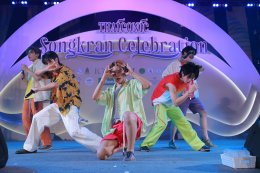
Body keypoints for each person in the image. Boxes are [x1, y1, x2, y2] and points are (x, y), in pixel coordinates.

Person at [16, 51, 102, 154]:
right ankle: (30, 147)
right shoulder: (53, 71)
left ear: (55, 60)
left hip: (69, 104)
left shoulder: (66, 71)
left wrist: (39, 89)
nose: (48, 65)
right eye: (47, 63)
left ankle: (102, 145)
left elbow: (55, 84)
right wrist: (47, 68)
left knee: (74, 131)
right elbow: (37, 74)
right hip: (58, 105)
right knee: (37, 118)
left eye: (49, 62)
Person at [140, 62, 210, 152]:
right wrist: (189, 92)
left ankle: (199, 145)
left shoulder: (186, 77)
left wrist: (196, 68)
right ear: (183, 73)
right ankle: (145, 145)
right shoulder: (171, 82)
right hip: (159, 103)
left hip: (169, 104)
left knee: (184, 123)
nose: (190, 80)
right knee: (162, 124)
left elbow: (200, 70)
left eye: (192, 78)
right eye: (189, 77)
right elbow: (176, 102)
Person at [92, 60, 151, 161]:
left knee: (127, 114)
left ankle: (130, 152)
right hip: (116, 128)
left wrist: (132, 73)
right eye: (113, 72)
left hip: (133, 122)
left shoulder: (132, 84)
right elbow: (95, 97)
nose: (116, 74)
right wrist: (103, 78)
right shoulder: (110, 91)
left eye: (119, 71)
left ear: (124, 72)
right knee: (101, 154)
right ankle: (121, 146)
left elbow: (147, 85)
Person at [162, 46, 215, 149]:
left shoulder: (191, 65)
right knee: (178, 118)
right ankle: (171, 141)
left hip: (193, 95)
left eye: (192, 57)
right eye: (190, 56)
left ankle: (206, 139)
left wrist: (197, 68)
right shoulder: (174, 65)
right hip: (182, 96)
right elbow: (164, 76)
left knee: (203, 113)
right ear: (184, 53)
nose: (191, 58)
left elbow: (202, 69)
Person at [20, 46, 52, 150]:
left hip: (37, 95)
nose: (28, 55)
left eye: (31, 53)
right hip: (29, 95)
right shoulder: (32, 65)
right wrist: (24, 78)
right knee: (25, 118)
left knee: (39, 118)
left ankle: (46, 142)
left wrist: (27, 70)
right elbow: (30, 82)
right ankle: (32, 141)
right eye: (28, 53)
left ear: (37, 54)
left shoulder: (40, 63)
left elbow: (38, 77)